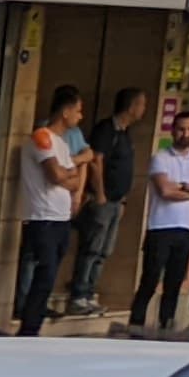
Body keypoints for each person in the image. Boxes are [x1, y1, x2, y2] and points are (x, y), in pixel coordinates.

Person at [131, 107, 189, 334]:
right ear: (172, 131)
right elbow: (165, 191)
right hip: (160, 227)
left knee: (174, 283)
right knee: (150, 279)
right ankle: (135, 324)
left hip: (185, 229)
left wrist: (185, 186)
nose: (185, 134)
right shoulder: (161, 158)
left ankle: (166, 325)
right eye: (180, 129)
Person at [12, 85, 85, 334]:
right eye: (77, 111)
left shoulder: (62, 144)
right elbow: (56, 175)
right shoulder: (41, 137)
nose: (80, 116)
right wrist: (66, 176)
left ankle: (34, 323)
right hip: (43, 218)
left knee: (49, 276)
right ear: (65, 111)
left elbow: (74, 179)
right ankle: (28, 328)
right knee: (44, 273)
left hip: (61, 218)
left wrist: (67, 176)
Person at [80, 87, 144, 319]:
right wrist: (99, 192)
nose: (143, 110)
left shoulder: (125, 133)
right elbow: (96, 160)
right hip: (103, 199)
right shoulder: (107, 130)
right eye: (141, 104)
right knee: (92, 247)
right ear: (131, 106)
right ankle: (79, 294)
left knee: (104, 251)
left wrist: (123, 199)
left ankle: (90, 292)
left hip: (118, 200)